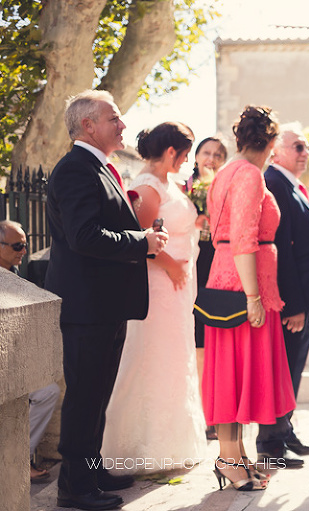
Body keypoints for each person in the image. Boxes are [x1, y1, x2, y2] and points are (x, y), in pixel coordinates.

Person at [46, 89, 168, 510]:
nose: (123, 125)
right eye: (114, 118)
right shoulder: (75, 169)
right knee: (84, 397)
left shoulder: (100, 167)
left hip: (104, 305)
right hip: (87, 306)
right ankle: (74, 488)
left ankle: (90, 470)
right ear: (88, 125)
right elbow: (84, 237)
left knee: (98, 395)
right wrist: (143, 241)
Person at [101, 122, 207, 474]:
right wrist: (171, 265)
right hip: (158, 285)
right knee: (152, 356)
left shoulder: (167, 183)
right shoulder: (146, 187)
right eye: (185, 153)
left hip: (177, 290)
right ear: (173, 152)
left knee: (174, 358)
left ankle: (172, 443)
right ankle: (140, 446)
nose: (186, 161)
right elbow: (139, 239)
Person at [202, 105, 296, 491]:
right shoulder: (248, 175)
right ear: (271, 142)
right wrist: (253, 297)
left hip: (230, 278)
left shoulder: (225, 173)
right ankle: (228, 459)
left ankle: (236, 457)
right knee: (235, 375)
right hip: (243, 284)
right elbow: (242, 237)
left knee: (234, 374)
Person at [259, 123, 309, 468]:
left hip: (302, 300)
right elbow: (282, 253)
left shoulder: (290, 184)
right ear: (276, 150)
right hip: (292, 303)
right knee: (282, 372)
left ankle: (285, 431)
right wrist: (294, 305)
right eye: (297, 147)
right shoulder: (274, 183)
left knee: (293, 371)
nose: (305, 153)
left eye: (306, 147)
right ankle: (271, 445)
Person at [0, 220, 60, 484]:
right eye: (17, 245)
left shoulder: (14, 274)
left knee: (47, 391)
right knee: (45, 392)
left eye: (25, 244)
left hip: (13, 362)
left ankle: (19, 459)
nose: (23, 250)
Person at [183, 136, 228, 441]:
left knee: (215, 347)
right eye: (206, 153)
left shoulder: (227, 190)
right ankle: (200, 414)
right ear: (196, 156)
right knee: (197, 348)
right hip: (191, 272)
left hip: (219, 272)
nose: (211, 159)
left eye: (218, 154)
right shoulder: (182, 190)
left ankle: (214, 412)